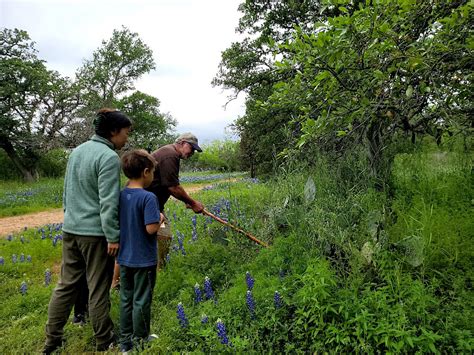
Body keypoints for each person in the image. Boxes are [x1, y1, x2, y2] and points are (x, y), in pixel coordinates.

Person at [43, 108, 132, 354]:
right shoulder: (108, 157)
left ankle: (52, 340)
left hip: (71, 228)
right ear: (114, 131)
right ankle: (105, 339)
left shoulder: (77, 152)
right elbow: (108, 202)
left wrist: (70, 217)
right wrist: (113, 236)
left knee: (65, 285)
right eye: (126, 132)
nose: (127, 138)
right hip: (95, 234)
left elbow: (67, 192)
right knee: (98, 286)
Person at [117, 149, 163, 352]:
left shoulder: (120, 194)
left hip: (124, 257)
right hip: (144, 259)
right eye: (153, 172)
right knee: (142, 299)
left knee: (126, 298)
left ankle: (125, 342)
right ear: (146, 172)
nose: (153, 176)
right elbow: (151, 228)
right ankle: (141, 339)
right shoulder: (148, 197)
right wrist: (160, 218)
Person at [147, 133, 205, 269]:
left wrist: (185, 200)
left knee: (160, 237)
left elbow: (168, 184)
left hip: (153, 206)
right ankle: (160, 270)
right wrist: (192, 202)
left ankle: (157, 269)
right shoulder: (170, 155)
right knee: (163, 236)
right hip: (148, 207)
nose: (193, 153)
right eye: (192, 148)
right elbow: (173, 187)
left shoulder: (169, 153)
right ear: (183, 143)